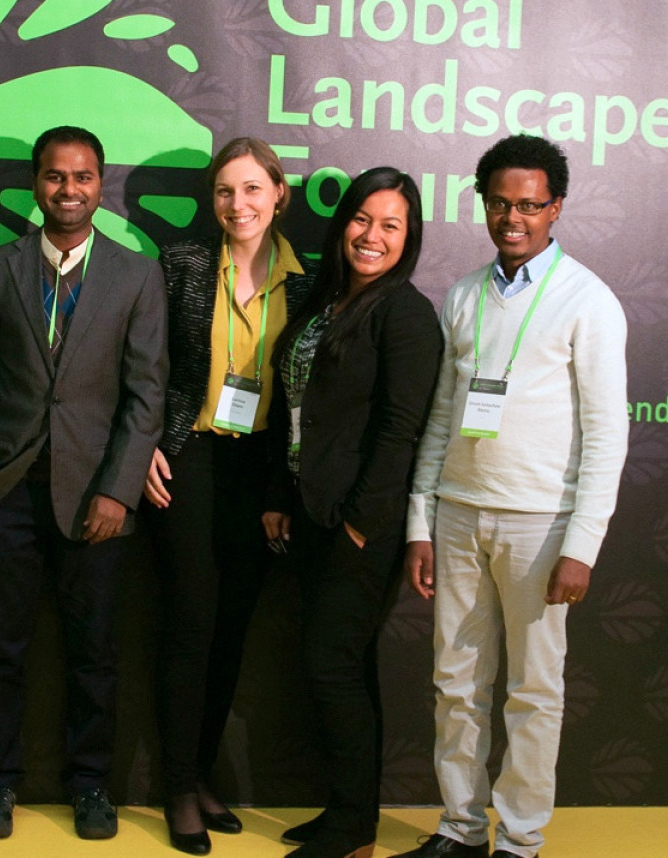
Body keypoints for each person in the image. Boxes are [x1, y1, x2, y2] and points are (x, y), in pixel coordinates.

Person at [392, 135, 628, 858]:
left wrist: (581, 547)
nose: (513, 218)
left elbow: (606, 434)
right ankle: (460, 831)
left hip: (542, 527)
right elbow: (438, 419)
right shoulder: (463, 294)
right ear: (484, 203)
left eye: (530, 205)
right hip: (458, 516)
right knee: (455, 685)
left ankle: (520, 842)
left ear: (556, 207)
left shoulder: (589, 300)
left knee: (533, 693)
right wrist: (420, 522)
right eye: (500, 203)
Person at [0, 125, 167, 842]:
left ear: (99, 185)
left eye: (81, 178)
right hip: (6, 490)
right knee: (0, 647)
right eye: (55, 177)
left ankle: (91, 787)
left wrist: (119, 490)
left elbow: (148, 396)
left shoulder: (137, 275)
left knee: (94, 653)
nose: (68, 190)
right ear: (36, 183)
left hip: (96, 497)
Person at [261, 168, 442, 858]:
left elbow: (402, 430)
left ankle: (350, 827)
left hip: (362, 524)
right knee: (347, 666)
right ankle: (350, 811)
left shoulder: (406, 314)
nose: (372, 236)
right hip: (311, 510)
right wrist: (282, 496)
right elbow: (294, 412)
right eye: (363, 220)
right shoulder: (325, 301)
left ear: (409, 237)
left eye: (391, 225)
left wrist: (363, 524)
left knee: (331, 664)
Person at [144, 137, 314, 855]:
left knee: (230, 632)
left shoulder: (309, 284)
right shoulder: (181, 264)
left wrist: (282, 486)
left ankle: (202, 773)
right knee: (189, 622)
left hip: (262, 475)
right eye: (224, 191)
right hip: (190, 457)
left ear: (278, 193)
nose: (237, 205)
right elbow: (148, 360)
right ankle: (177, 785)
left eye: (251, 190)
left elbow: (306, 398)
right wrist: (145, 442)